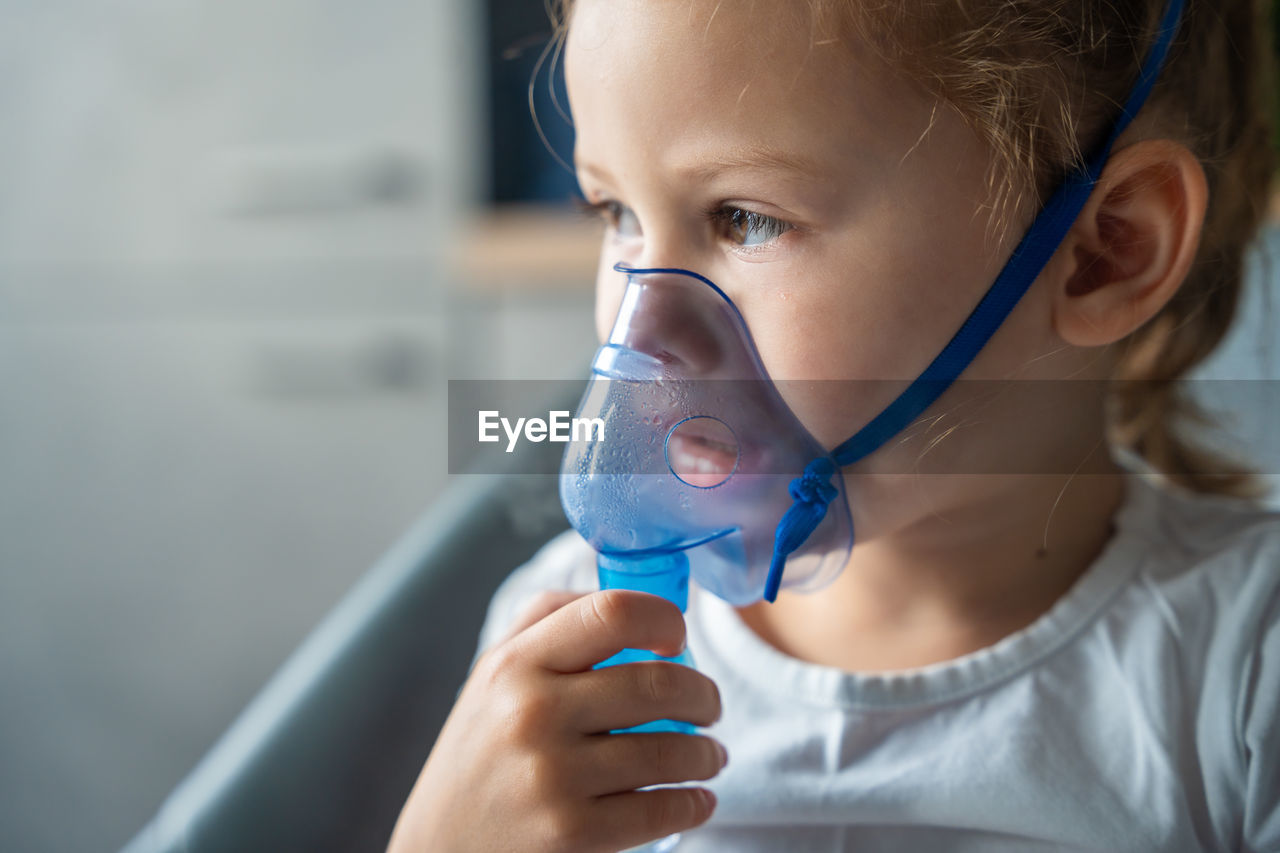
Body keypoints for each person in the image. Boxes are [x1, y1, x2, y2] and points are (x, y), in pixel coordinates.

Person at [388, 0, 1279, 850]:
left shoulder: (1246, 679)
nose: (645, 329)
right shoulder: (565, 652)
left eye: (746, 218)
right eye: (615, 213)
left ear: (1106, 250)